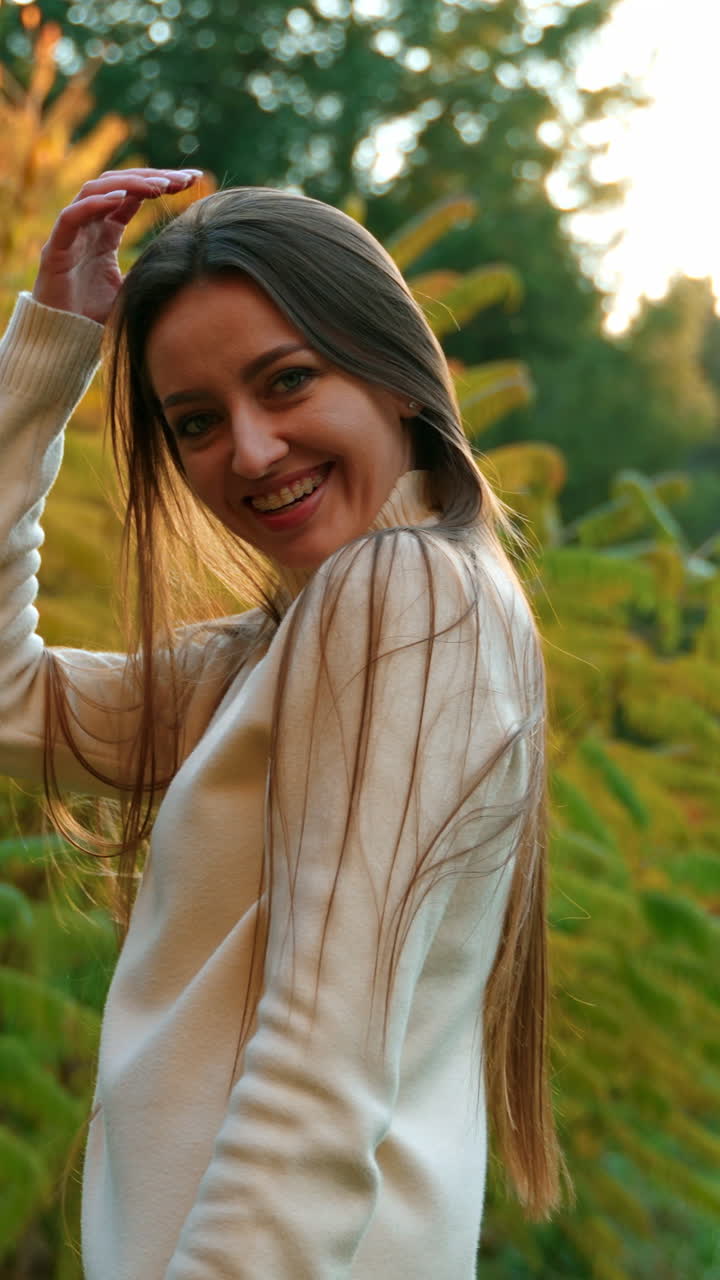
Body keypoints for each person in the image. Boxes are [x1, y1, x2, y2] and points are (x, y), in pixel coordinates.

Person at [0, 168, 571, 1279]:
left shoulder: (406, 597)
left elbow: (318, 1066)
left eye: (289, 380)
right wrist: (47, 359)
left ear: (397, 376)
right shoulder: (287, 652)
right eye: (199, 421)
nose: (252, 451)